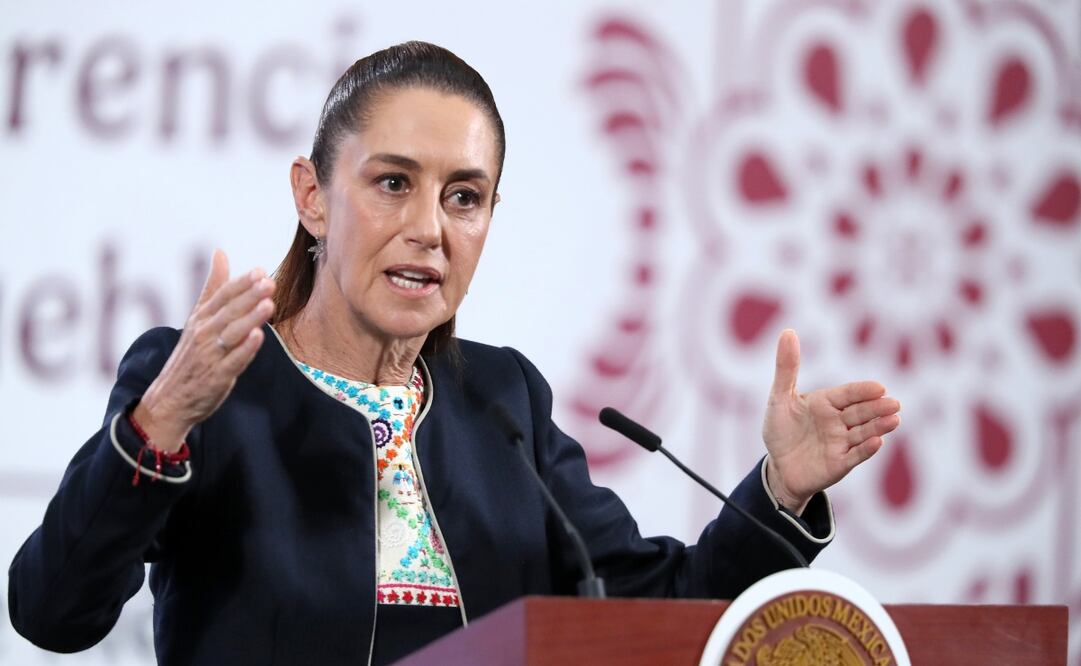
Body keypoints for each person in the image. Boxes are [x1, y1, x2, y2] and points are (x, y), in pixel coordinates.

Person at [7, 41, 900, 665]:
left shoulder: (501, 400)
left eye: (464, 197)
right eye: (393, 183)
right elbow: (53, 614)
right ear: (313, 198)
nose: (429, 229)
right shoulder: (203, 383)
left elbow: (662, 615)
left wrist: (781, 491)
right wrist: (159, 421)